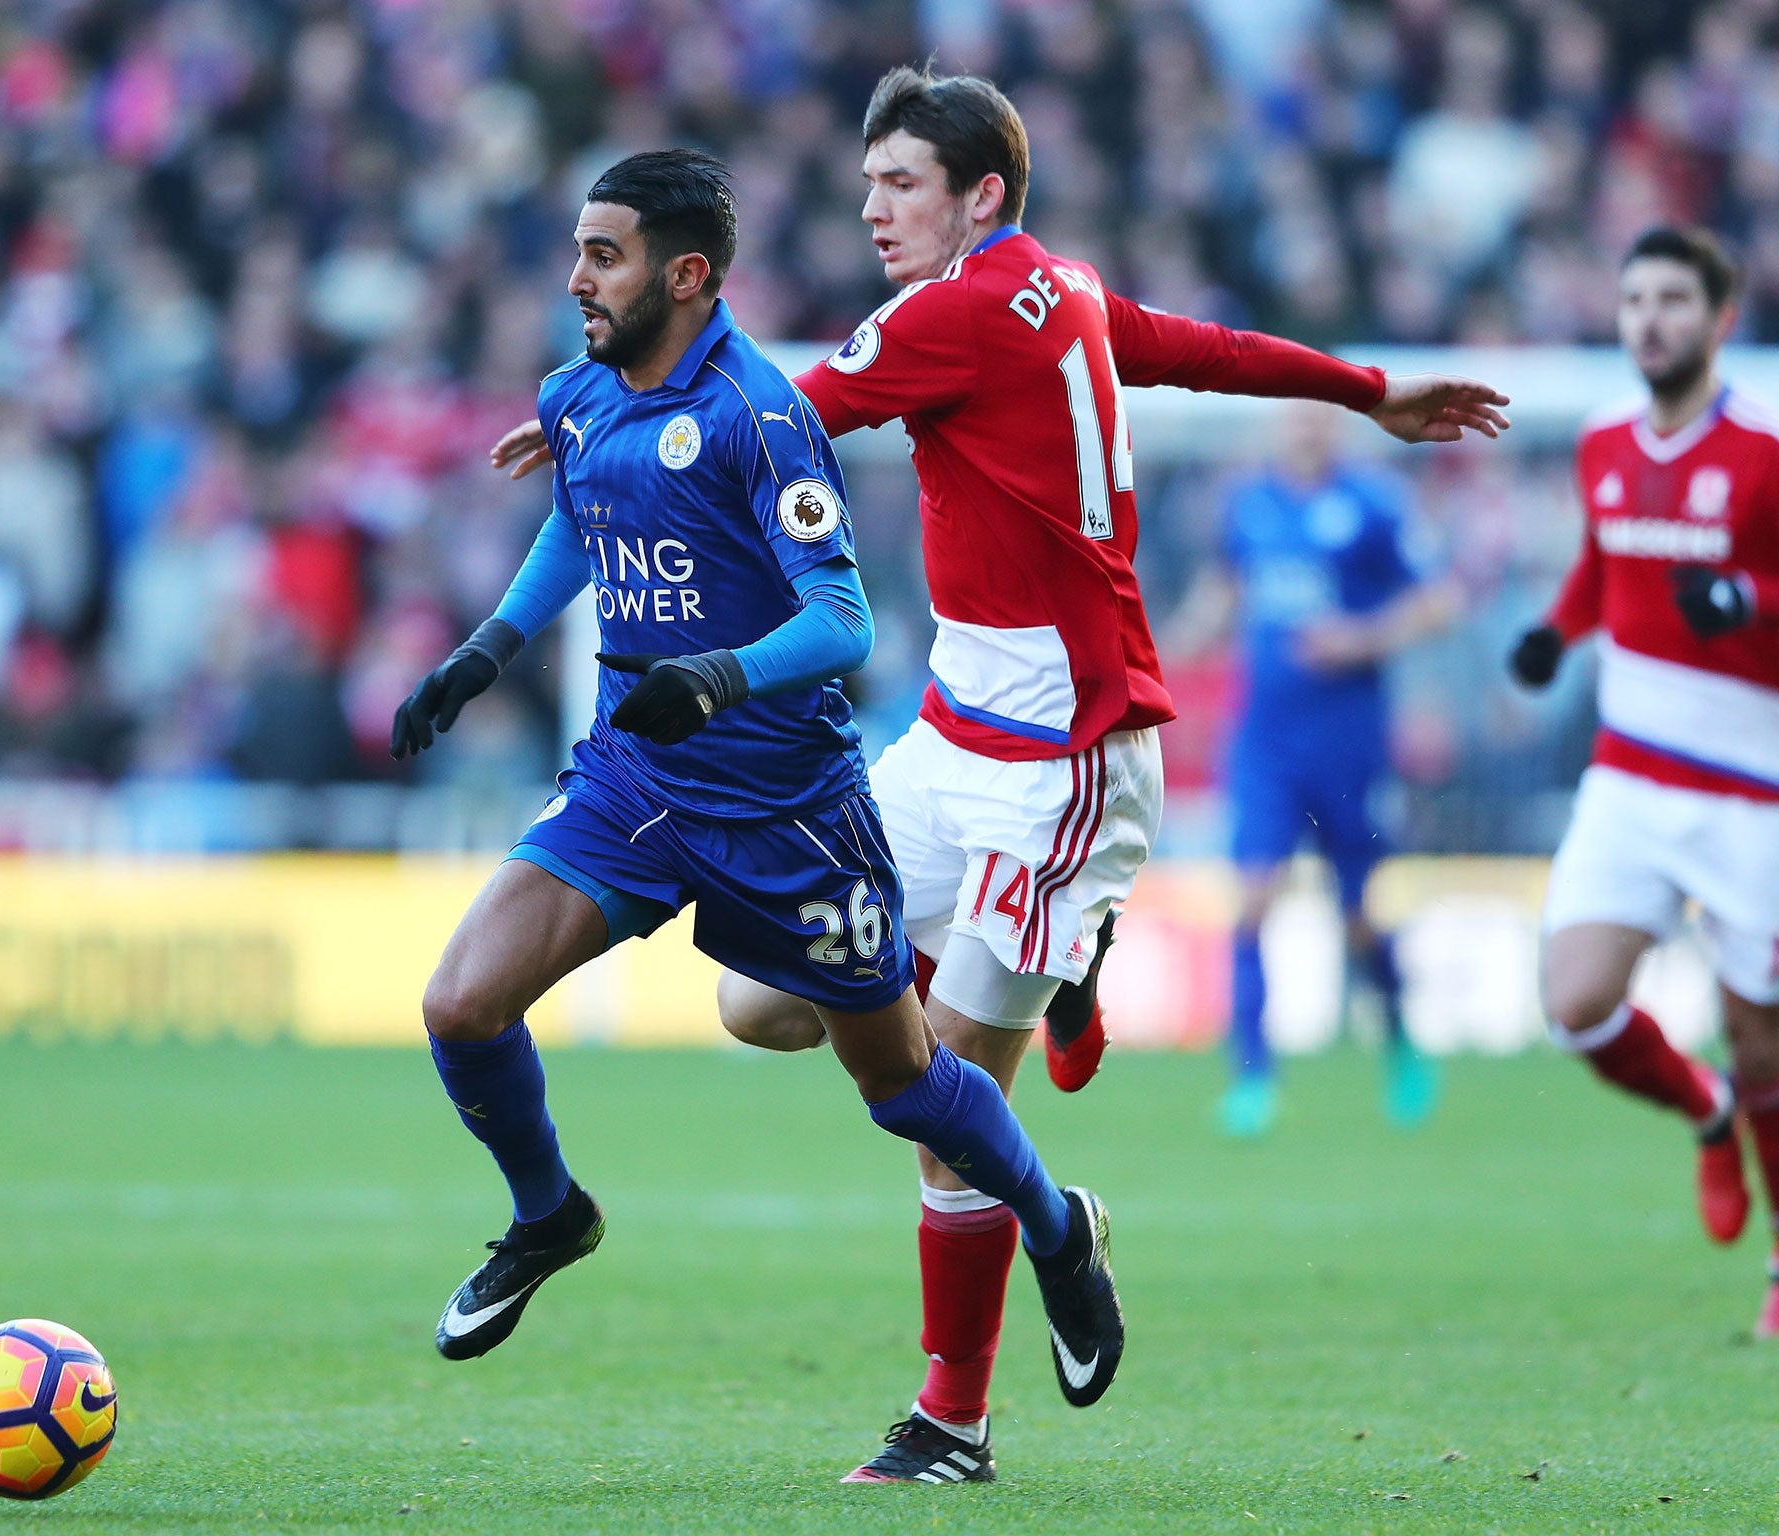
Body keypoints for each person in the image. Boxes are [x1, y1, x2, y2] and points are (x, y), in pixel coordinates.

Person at [494, 70, 1508, 1483]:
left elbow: (783, 406)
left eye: (899, 184)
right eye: (865, 185)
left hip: (1067, 761)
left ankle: (950, 1423)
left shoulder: (952, 313)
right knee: (763, 1005)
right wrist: (1365, 390)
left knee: (947, 1101)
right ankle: (1059, 1025)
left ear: (981, 194)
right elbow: (1199, 348)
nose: (871, 208)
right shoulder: (1069, 287)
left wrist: (610, 405)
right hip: (949, 737)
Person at [394, 150, 1125, 1438]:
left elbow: (842, 622)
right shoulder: (582, 392)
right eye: (576, 251)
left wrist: (721, 677)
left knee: (904, 1087)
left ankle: (1056, 1230)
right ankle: (547, 1214)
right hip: (636, 780)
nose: (574, 279)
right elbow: (583, 513)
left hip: (787, 805)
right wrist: (485, 651)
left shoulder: (759, 413)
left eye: (601, 256)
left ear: (685, 274)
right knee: (461, 1002)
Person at [1508, 226, 1779, 1334]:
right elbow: (1601, 562)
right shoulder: (1602, 442)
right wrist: (1554, 632)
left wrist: (1750, 603)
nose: (1648, 320)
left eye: (1672, 300)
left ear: (1718, 320)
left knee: (1761, 1031)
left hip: (1746, 785)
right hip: (1627, 773)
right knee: (1572, 1003)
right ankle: (1702, 1108)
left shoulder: (1762, 451)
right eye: (1632, 301)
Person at [1165, 401, 1457, 1138]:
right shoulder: (1250, 504)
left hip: (1349, 742)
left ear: (1340, 425)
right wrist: (1170, 647)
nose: (1305, 427)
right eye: (1294, 415)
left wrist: (1361, 638)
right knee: (1253, 898)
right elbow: (1225, 592)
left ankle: (1398, 1041)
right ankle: (1252, 1079)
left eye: (1319, 416)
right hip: (1265, 739)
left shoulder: (1374, 505)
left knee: (1357, 916)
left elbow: (1440, 599)